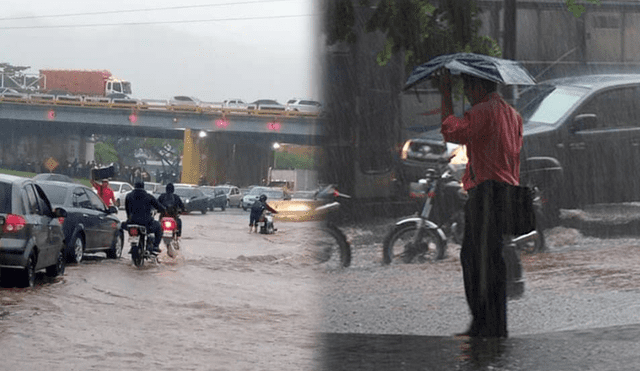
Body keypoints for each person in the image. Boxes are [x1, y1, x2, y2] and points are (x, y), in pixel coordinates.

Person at [437, 68, 523, 339]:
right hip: (508, 192)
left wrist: (445, 94)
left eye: (467, 89)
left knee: (473, 260)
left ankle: (482, 324)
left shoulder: (484, 111)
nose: (467, 95)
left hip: (486, 193)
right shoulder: (513, 114)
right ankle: (496, 326)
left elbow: (451, 132)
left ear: (478, 88)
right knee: (493, 261)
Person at [124, 181, 166, 253]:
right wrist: (163, 210)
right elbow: (159, 206)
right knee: (159, 226)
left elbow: (127, 210)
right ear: (143, 187)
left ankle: (133, 246)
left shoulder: (128, 196)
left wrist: (129, 218)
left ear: (134, 186)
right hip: (146, 222)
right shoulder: (148, 196)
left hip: (132, 222)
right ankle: (155, 246)